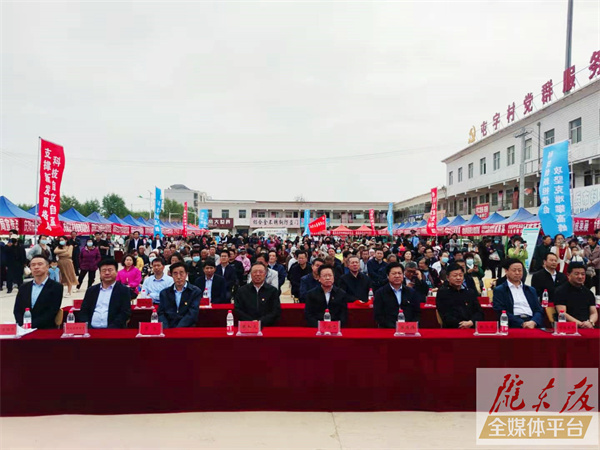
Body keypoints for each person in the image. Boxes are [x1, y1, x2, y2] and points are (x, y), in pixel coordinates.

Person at [79, 259, 132, 329]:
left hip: (113, 330)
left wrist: (110, 329)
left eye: (110, 270)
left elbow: (125, 313)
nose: (107, 273)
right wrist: (88, 327)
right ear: (100, 273)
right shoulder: (91, 290)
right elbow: (84, 311)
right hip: (91, 330)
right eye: (104, 270)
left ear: (116, 272)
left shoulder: (123, 290)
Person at [13, 255, 63, 329]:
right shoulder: (24, 287)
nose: (36, 267)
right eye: (33, 265)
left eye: (40, 264)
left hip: (45, 328)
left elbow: (52, 311)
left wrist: (32, 325)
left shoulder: (56, 287)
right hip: (24, 328)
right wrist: (22, 324)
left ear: (47, 267)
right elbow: (17, 310)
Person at [492, 258, 543, 329]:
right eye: (514, 270)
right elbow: (500, 310)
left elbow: (538, 310)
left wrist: (534, 321)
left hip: (531, 322)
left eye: (520, 270)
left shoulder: (530, 290)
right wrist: (522, 323)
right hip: (513, 324)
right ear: (506, 271)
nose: (517, 273)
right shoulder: (500, 290)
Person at [436, 263, 484, 329]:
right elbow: (445, 315)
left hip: (471, 327)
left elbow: (479, 312)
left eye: (461, 275)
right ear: (448, 277)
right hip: (453, 329)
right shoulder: (443, 293)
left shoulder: (470, 292)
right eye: (455, 276)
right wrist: (462, 325)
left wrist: (471, 322)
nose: (458, 278)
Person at [374, 262, 421, 328]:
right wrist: (395, 327)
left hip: (408, 328)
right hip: (388, 329)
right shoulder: (380, 293)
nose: (397, 276)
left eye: (399, 273)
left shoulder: (411, 292)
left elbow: (417, 313)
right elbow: (378, 315)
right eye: (394, 273)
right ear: (388, 276)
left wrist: (408, 326)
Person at [234, 262, 281, 326]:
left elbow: (275, 311)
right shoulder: (241, 291)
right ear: (250, 274)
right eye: (255, 272)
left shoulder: (272, 291)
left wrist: (260, 321)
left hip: (267, 325)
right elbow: (238, 310)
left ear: (265, 274)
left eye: (261, 272)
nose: (258, 274)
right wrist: (251, 322)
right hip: (247, 325)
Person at [158, 262, 201, 328]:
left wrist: (178, 328)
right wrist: (166, 328)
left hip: (187, 328)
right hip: (168, 328)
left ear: (186, 274)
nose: (178, 277)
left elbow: (192, 313)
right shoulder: (164, 293)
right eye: (175, 274)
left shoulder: (195, 292)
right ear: (171, 275)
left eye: (181, 273)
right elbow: (161, 313)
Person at [554, 262, 598, 328]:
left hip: (587, 325)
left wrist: (591, 322)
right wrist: (580, 324)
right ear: (568, 275)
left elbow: (593, 312)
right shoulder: (560, 291)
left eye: (583, 274)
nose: (580, 277)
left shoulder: (588, 293)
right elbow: (562, 313)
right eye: (576, 274)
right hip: (568, 327)